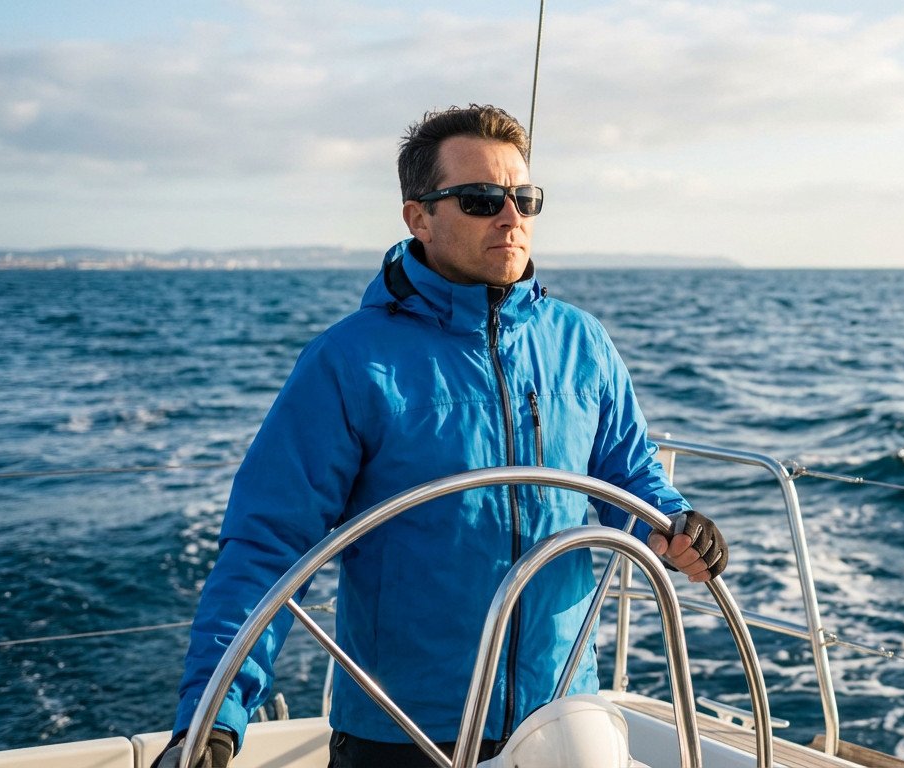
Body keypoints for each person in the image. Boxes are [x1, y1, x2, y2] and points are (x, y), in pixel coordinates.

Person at [153, 104, 728, 768]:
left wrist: (673, 522)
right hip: (402, 730)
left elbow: (628, 482)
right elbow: (267, 549)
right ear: (418, 217)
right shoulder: (349, 362)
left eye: (524, 197)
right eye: (482, 200)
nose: (511, 217)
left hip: (562, 719)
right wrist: (212, 718)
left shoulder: (582, 343)